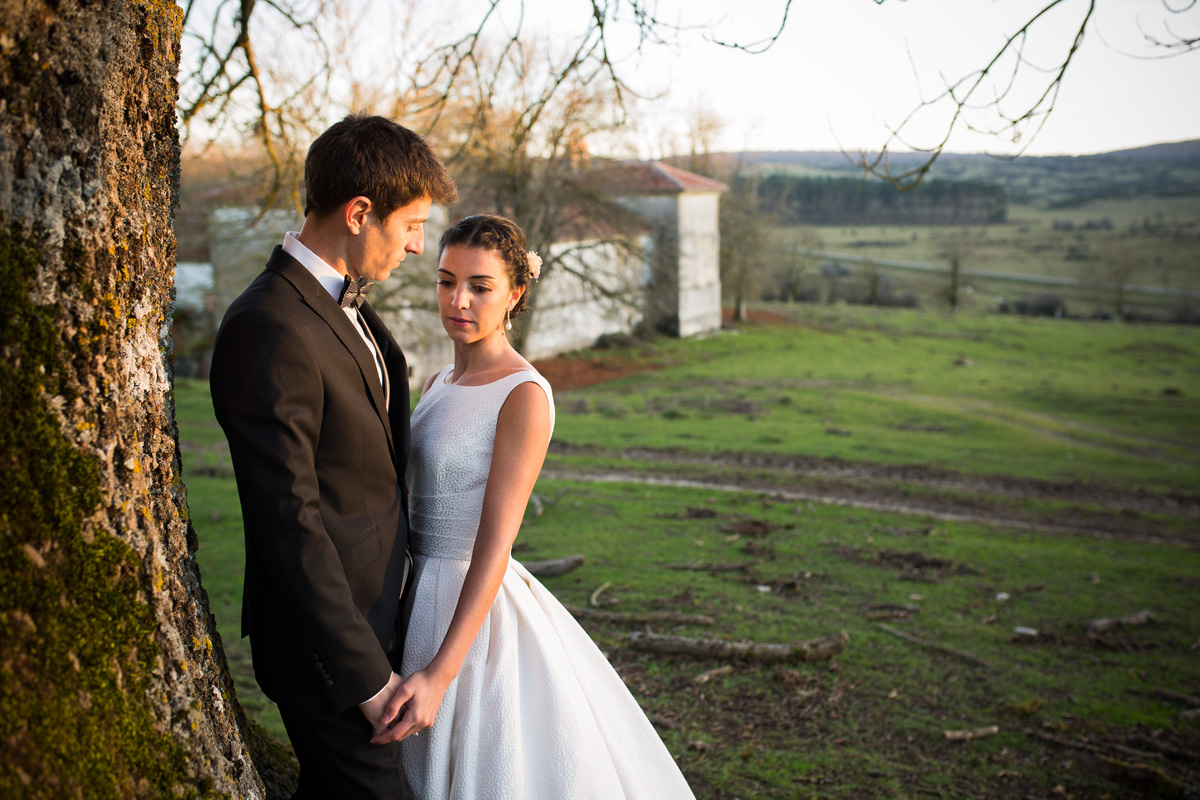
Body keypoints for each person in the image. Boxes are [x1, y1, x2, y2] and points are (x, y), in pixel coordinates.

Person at [379, 214, 696, 799]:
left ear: (516, 293)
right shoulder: (435, 382)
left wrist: (440, 675)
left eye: (481, 286)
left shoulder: (523, 395)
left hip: (466, 614)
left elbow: (494, 546)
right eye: (447, 281)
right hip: (412, 595)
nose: (459, 300)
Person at [209, 113, 457, 798]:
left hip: (380, 622)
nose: (416, 247)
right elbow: (288, 522)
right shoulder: (267, 326)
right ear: (358, 213)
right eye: (410, 226)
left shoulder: (346, 306)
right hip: (327, 655)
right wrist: (366, 678)